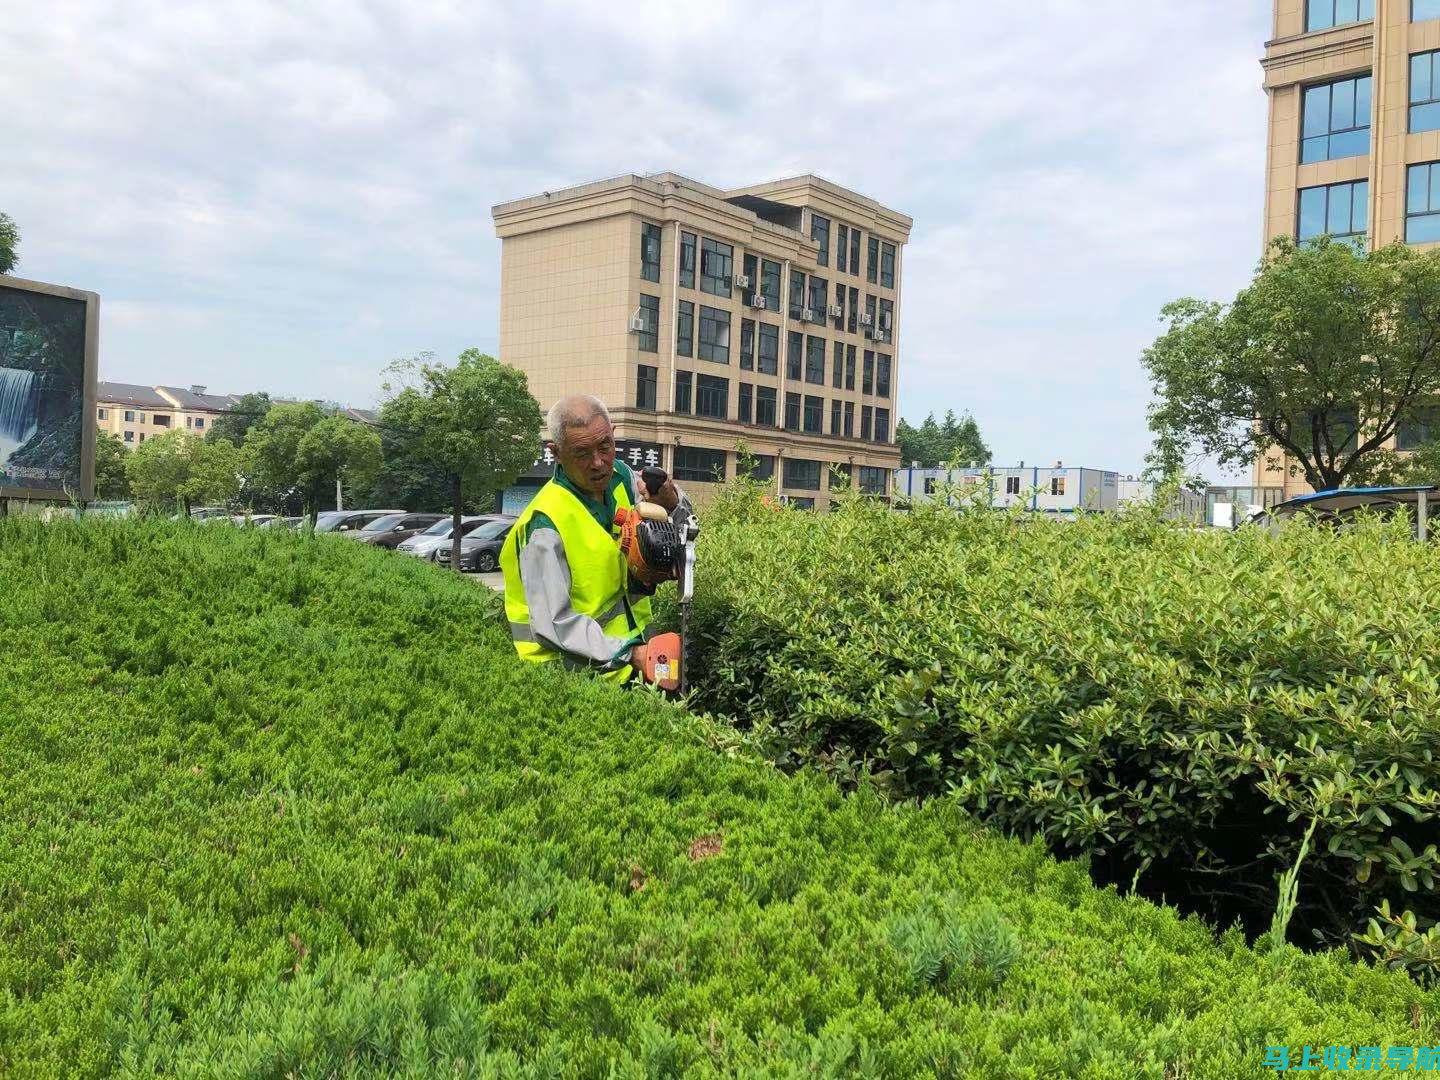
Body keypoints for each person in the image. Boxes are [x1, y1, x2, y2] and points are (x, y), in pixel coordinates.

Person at [499, 394, 693, 683]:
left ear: (614, 436)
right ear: (556, 452)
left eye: (606, 447)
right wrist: (633, 654)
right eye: (581, 453)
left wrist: (672, 501)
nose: (598, 463)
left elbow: (687, 523)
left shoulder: (623, 479)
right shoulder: (544, 523)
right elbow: (554, 624)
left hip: (631, 663)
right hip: (572, 681)